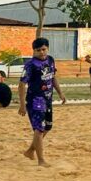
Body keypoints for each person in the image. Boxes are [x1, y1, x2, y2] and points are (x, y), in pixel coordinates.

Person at [19, 37, 66, 167]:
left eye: (44, 49)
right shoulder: (31, 65)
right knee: (39, 129)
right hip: (35, 101)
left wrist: (60, 93)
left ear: (48, 49)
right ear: (34, 51)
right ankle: (41, 160)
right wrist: (22, 105)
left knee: (48, 127)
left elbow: (53, 77)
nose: (41, 52)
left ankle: (30, 151)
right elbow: (22, 84)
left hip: (48, 99)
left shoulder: (50, 60)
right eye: (38, 50)